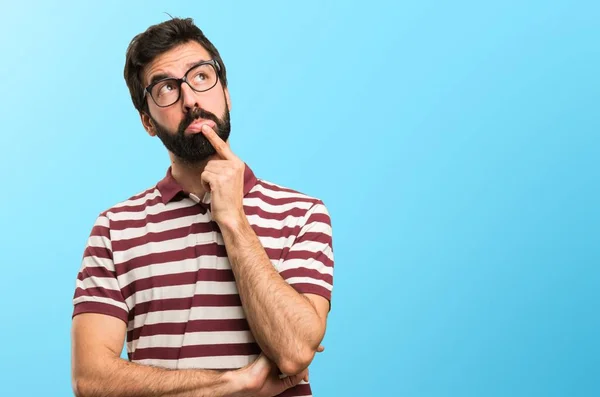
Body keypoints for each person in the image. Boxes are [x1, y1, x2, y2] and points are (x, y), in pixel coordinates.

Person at [70, 17, 334, 397]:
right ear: (147, 120)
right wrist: (228, 384)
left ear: (226, 93)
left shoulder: (302, 213)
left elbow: (292, 352)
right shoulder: (114, 229)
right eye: (166, 89)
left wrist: (232, 218)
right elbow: (90, 379)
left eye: (201, 77)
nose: (191, 99)